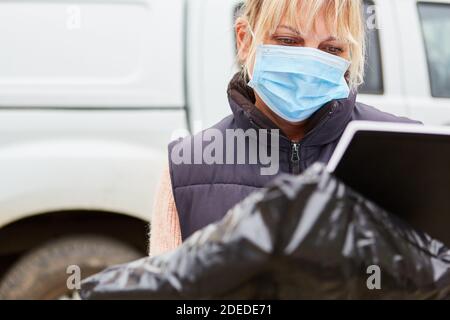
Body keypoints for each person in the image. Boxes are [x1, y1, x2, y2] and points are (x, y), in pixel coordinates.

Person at [149, 0, 420, 257]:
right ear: (244, 40)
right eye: (288, 41)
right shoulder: (186, 168)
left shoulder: (407, 149)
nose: (309, 63)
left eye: (332, 49)